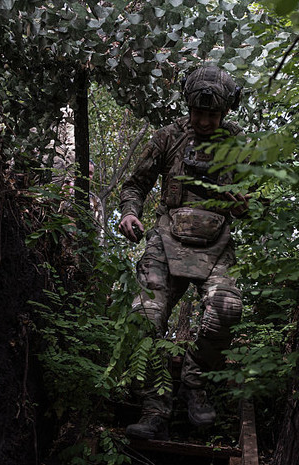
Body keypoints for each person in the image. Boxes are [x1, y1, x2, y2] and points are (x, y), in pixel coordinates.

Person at [118, 65, 250, 440]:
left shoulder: (239, 145)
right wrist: (129, 214)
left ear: (225, 112)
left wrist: (247, 203)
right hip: (165, 237)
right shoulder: (168, 137)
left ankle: (195, 381)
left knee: (227, 309)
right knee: (144, 317)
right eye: (198, 112)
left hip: (218, 244)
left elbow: (260, 200)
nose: (204, 120)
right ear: (187, 107)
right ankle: (155, 403)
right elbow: (136, 184)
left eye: (212, 114)